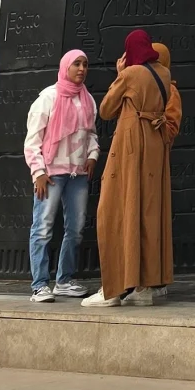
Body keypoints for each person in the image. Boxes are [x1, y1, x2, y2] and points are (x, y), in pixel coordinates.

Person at [82, 30, 173, 308]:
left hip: (131, 147)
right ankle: (143, 287)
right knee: (147, 213)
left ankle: (112, 289)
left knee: (114, 211)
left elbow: (106, 109)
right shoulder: (165, 74)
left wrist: (119, 74)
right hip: (154, 145)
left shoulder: (131, 73)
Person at [23, 48, 98, 302]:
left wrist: (92, 155)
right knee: (42, 228)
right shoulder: (48, 98)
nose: (81, 69)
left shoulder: (87, 99)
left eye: (85, 64)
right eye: (76, 64)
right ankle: (39, 285)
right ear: (65, 66)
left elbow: (91, 134)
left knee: (75, 229)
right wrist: (38, 172)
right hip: (51, 175)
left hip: (77, 175)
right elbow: (33, 140)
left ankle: (64, 281)